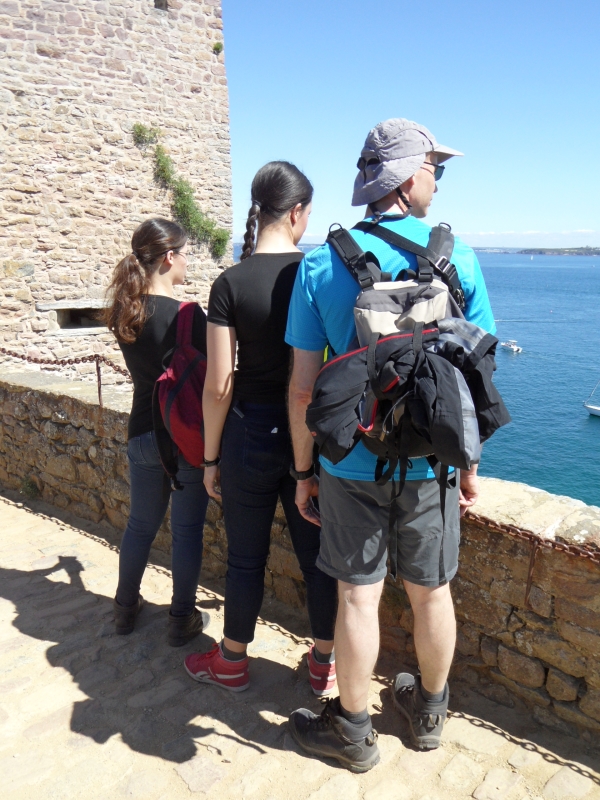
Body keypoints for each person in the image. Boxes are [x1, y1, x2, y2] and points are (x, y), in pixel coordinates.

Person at [285, 119, 496, 771]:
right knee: (432, 593)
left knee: (357, 596)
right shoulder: (458, 258)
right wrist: (468, 465)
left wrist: (304, 472)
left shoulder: (321, 263)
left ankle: (353, 734)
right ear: (407, 178)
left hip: (351, 461)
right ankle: (428, 715)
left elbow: (302, 388)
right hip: (432, 461)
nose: (439, 180)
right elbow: (476, 376)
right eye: (436, 167)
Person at [183, 162, 338, 694]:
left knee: (245, 558)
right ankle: (323, 665)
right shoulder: (317, 273)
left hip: (247, 434)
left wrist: (210, 458)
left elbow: (219, 385)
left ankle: (231, 662)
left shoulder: (230, 282)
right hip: (308, 435)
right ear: (296, 213)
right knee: (317, 558)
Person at [106, 218, 210, 647]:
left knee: (140, 525)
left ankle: (124, 608)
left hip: (142, 431)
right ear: (169, 257)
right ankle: (181, 619)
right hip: (184, 435)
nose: (187, 262)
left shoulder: (124, 312)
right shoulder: (188, 315)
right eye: (185, 254)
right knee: (186, 532)